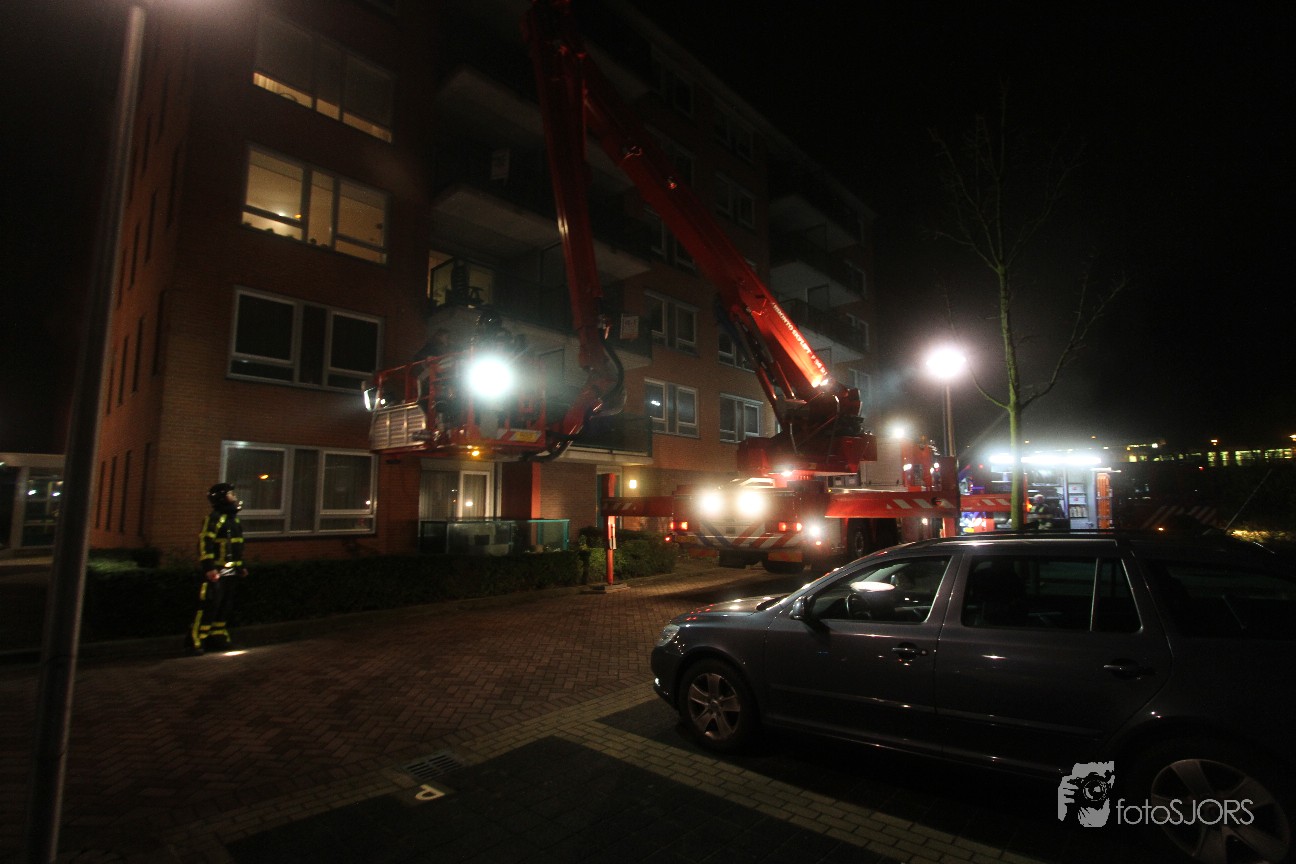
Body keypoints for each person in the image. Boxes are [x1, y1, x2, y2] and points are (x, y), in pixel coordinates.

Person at [189, 482, 247, 655]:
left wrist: (241, 567)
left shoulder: (233, 520)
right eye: (231, 494)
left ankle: (218, 635)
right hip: (217, 571)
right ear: (222, 498)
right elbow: (205, 543)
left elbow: (237, 547)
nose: (234, 497)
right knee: (209, 605)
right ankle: (197, 639)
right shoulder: (214, 519)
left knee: (225, 605)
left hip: (231, 572)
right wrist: (209, 567)